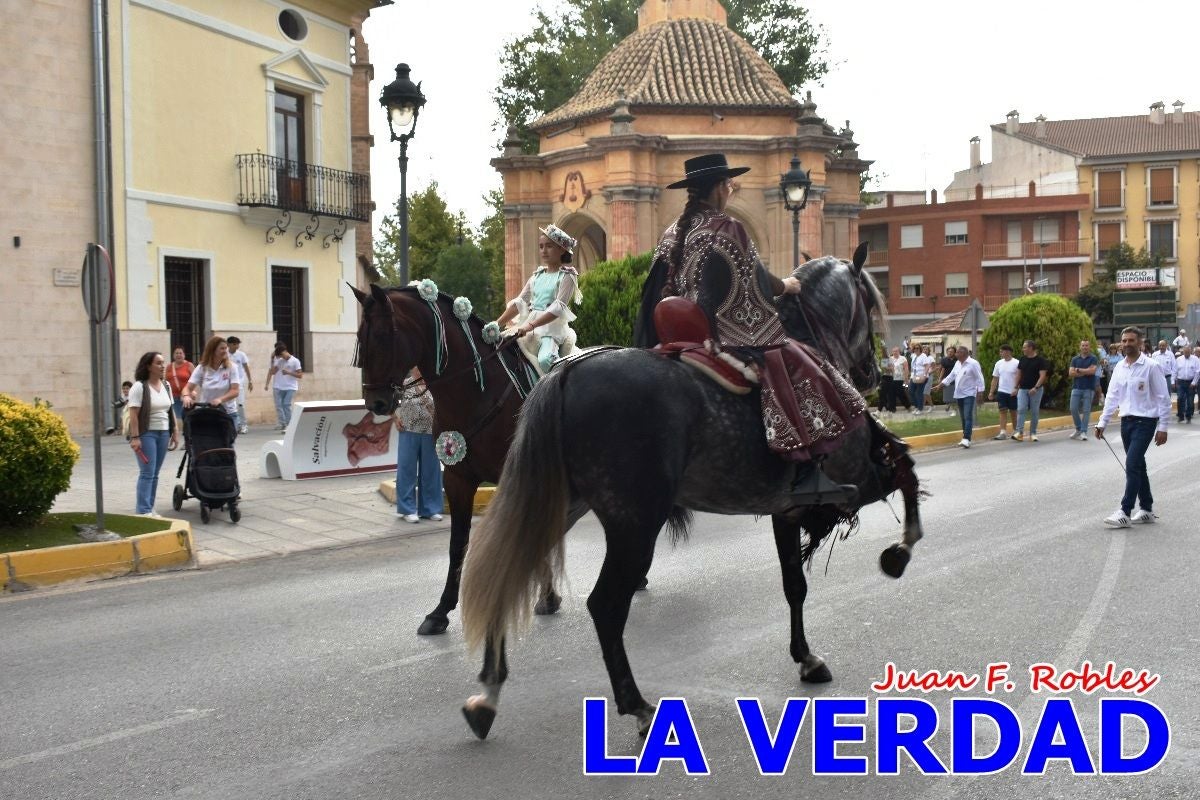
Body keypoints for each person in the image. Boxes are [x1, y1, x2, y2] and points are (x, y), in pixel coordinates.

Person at [636, 153, 863, 503]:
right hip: (721, 334)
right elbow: (754, 279)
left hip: (678, 335)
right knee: (800, 362)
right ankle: (805, 472)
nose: (731, 189)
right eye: (728, 184)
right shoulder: (728, 228)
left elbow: (654, 290)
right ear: (719, 188)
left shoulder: (671, 233)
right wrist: (786, 286)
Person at [1096, 326, 1170, 528]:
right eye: (1124, 341)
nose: (1127, 344)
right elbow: (1112, 397)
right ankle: (1146, 508)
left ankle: (1125, 511)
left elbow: (1164, 398)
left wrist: (1163, 426)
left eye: (1131, 340)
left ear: (1140, 342)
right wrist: (1102, 422)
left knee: (1132, 463)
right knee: (1138, 465)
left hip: (1145, 423)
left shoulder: (1152, 366)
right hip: (1126, 422)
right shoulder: (1120, 367)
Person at [493, 224, 582, 376]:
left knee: (546, 360)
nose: (544, 251)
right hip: (528, 325)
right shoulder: (537, 276)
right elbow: (519, 303)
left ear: (561, 249)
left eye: (549, 246)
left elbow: (558, 308)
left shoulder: (568, 276)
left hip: (552, 330)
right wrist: (496, 323)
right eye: (541, 247)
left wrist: (529, 326)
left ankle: (556, 396)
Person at [127, 351, 179, 516]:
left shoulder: (166, 385)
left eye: (163, 362)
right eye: (158, 363)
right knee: (147, 472)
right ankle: (143, 510)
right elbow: (133, 414)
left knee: (155, 473)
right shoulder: (139, 386)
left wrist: (175, 431)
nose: (163, 366)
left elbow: (171, 410)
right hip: (146, 434)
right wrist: (135, 438)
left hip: (163, 433)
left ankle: (149, 507)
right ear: (149, 366)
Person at [393, 368, 444, 523]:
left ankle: (430, 509)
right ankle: (407, 509)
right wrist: (395, 418)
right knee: (407, 469)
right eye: (417, 368)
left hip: (430, 432)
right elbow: (390, 401)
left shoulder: (434, 383)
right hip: (408, 431)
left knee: (431, 471)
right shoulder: (404, 385)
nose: (419, 370)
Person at [182, 336, 241, 421]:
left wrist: (220, 399)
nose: (225, 351)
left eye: (226, 348)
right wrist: (186, 396)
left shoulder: (231, 367)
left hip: (228, 414)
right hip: (207, 413)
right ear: (213, 350)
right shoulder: (202, 368)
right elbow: (187, 388)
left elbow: (235, 391)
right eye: (222, 348)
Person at [936, 346, 985, 448]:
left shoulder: (973, 363)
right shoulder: (957, 363)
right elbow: (951, 376)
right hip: (959, 394)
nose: (955, 354)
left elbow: (979, 378)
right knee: (963, 417)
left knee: (968, 416)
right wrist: (941, 384)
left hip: (969, 394)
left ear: (964, 353)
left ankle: (967, 438)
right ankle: (965, 437)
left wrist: (980, 392)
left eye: (958, 352)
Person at [1012, 340, 1049, 442]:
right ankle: (1019, 433)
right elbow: (1019, 374)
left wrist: (1036, 388)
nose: (1023, 349)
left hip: (1036, 390)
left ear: (1031, 348)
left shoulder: (1040, 360)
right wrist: (1015, 387)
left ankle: (1033, 433)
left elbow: (1042, 376)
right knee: (1021, 409)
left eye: (1025, 347)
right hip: (1023, 389)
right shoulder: (1023, 359)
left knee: (1034, 411)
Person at [1067, 339, 1099, 440]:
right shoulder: (1075, 359)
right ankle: (1078, 429)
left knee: (1086, 411)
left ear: (1089, 347)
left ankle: (1084, 431)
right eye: (1083, 345)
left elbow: (1092, 371)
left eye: (1086, 345)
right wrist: (1086, 371)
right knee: (1073, 408)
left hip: (1088, 388)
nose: (1085, 347)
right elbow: (1070, 373)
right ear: (1080, 347)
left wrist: (1078, 370)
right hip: (1076, 387)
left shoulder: (1093, 358)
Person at [267, 342, 302, 430]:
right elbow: (273, 372)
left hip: (291, 387)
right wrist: (272, 359)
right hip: (281, 386)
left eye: (282, 355)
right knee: (280, 405)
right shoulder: (280, 361)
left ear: (285, 351)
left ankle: (289, 425)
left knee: (286, 404)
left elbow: (300, 375)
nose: (282, 357)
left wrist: (288, 372)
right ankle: (283, 423)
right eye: (280, 356)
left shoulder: (295, 361)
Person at [987, 344, 1019, 439]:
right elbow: (995, 379)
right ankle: (1003, 432)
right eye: (1000, 351)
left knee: (1013, 412)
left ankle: (1016, 431)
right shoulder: (998, 363)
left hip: (1013, 392)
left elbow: (1020, 377)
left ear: (1008, 352)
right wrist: (991, 392)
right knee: (1002, 411)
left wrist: (1016, 389)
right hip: (1001, 391)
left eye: (1002, 351)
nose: (1000, 353)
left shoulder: (1017, 363)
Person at [226, 336, 253, 434]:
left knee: (240, 404)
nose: (237, 346)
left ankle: (243, 425)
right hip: (227, 383)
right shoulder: (225, 355)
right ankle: (234, 425)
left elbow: (246, 368)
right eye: (234, 344)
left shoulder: (241, 355)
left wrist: (250, 381)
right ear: (229, 344)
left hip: (239, 382)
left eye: (237, 344)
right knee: (230, 406)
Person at [166, 346, 193, 419]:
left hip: (186, 397)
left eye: (180, 353)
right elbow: (165, 381)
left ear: (184, 355)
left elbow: (194, 380)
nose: (178, 355)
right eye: (176, 353)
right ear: (173, 355)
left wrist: (192, 391)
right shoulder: (169, 367)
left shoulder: (189, 365)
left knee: (186, 417)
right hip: (173, 397)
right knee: (177, 418)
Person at [1175, 345, 1199, 423]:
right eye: (1185, 352)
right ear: (1183, 352)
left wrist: (1194, 382)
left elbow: (1197, 372)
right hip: (1181, 382)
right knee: (1180, 398)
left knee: (1190, 401)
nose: (1186, 353)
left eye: (1188, 352)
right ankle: (1180, 416)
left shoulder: (1195, 359)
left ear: (1191, 352)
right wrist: (1173, 381)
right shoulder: (1178, 359)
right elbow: (1175, 371)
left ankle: (1188, 416)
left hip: (1190, 382)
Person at [908, 343, 933, 414]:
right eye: (915, 348)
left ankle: (920, 409)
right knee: (910, 391)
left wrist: (924, 375)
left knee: (919, 392)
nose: (916, 349)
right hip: (914, 377)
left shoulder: (923, 356)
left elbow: (927, 366)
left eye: (917, 348)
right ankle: (916, 406)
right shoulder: (914, 356)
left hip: (922, 376)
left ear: (920, 349)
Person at [885, 346, 909, 415]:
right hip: (891, 379)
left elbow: (906, 369)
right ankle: (892, 408)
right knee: (891, 394)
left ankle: (907, 406)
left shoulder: (903, 358)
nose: (895, 352)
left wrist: (906, 379)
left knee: (901, 393)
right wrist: (888, 367)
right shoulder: (890, 358)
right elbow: (884, 367)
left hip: (900, 379)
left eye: (896, 351)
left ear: (899, 351)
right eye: (893, 351)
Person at [938, 346, 958, 414]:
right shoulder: (944, 360)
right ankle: (948, 404)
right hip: (946, 379)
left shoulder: (958, 360)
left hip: (956, 380)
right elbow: (942, 370)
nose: (950, 353)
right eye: (949, 351)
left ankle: (954, 410)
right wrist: (940, 378)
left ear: (955, 353)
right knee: (947, 395)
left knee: (954, 395)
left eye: (951, 352)